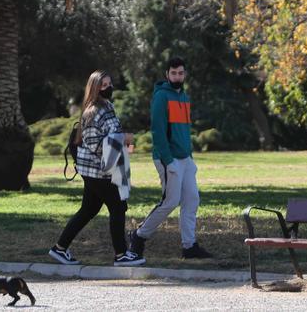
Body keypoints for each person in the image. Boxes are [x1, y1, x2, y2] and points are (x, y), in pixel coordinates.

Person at [48, 71, 145, 267]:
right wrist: (123, 139)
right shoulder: (93, 111)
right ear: (95, 88)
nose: (108, 87)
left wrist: (123, 143)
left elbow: (110, 134)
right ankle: (121, 254)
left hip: (98, 168)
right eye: (103, 85)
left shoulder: (107, 106)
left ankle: (59, 249)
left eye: (109, 83)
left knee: (88, 209)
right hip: (96, 170)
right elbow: (94, 143)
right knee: (118, 207)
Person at [128, 57, 212, 261]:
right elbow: (157, 132)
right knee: (170, 201)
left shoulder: (184, 97)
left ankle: (189, 247)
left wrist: (190, 158)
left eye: (180, 73)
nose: (177, 76)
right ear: (167, 74)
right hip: (168, 159)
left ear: (184, 74)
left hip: (185, 159)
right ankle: (138, 236)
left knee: (192, 199)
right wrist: (168, 160)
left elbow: (183, 130)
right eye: (173, 73)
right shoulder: (161, 97)